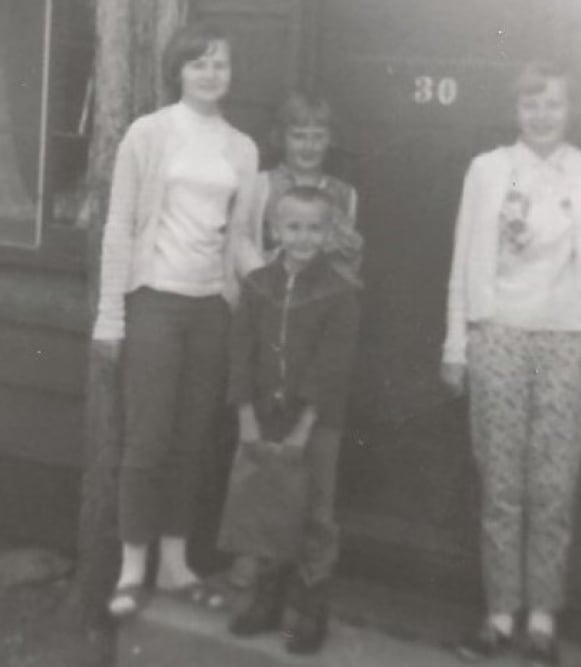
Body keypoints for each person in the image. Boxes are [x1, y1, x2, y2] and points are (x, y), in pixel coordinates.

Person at [441, 61, 581, 665]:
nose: (540, 115)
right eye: (530, 104)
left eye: (552, 104)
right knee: (501, 486)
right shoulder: (488, 171)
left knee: (553, 488)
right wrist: (456, 346)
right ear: (516, 110)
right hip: (499, 338)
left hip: (567, 344)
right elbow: (463, 263)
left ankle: (541, 618)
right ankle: (500, 614)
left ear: (570, 110)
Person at [92, 21, 259, 618]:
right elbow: (119, 228)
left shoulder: (242, 149)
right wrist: (111, 318)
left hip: (210, 308)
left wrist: (269, 282)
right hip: (155, 302)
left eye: (221, 63)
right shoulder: (149, 134)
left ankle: (174, 563)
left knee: (191, 442)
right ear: (178, 71)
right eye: (200, 63)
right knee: (147, 440)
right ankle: (132, 568)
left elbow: (240, 241)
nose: (212, 73)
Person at [226, 91, 363, 591]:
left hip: (318, 327)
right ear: (281, 138)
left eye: (317, 135)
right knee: (260, 460)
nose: (307, 146)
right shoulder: (264, 185)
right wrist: (267, 279)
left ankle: (308, 579)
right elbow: (240, 237)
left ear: (330, 139)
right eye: (298, 135)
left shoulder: (344, 195)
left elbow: (347, 266)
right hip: (270, 324)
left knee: (312, 471)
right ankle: (255, 558)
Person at [217, 185, 360, 654]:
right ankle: (268, 601)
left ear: (329, 231)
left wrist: (304, 428)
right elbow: (241, 353)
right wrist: (245, 416)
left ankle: (312, 609)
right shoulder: (258, 285)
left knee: (315, 512)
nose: (303, 238)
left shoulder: (341, 292)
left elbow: (331, 366)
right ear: (276, 229)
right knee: (269, 507)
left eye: (314, 228)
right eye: (293, 227)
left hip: (317, 425)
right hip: (264, 416)